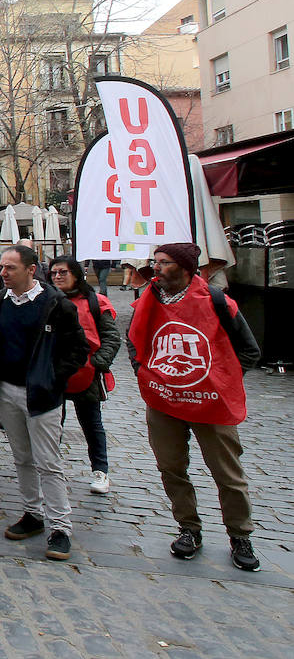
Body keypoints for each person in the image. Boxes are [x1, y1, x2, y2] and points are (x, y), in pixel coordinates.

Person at [127, 242, 263, 572]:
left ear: (186, 268)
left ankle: (240, 535)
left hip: (211, 404)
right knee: (171, 467)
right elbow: (135, 342)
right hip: (163, 401)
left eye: (165, 263)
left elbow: (249, 350)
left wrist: (222, 381)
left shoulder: (216, 301)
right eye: (155, 262)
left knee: (227, 473)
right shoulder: (147, 299)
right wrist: (144, 372)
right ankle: (188, 529)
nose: (156, 268)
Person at [0, 245, 87, 561]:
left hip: (41, 395)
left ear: (31, 269)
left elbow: (78, 350)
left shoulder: (56, 304)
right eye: (2, 267)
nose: (3, 273)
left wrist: (52, 379)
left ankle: (61, 528)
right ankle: (33, 513)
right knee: (22, 457)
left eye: (10, 268)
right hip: (7, 392)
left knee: (48, 462)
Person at [48, 256, 121, 494]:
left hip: (86, 372)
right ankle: (50, 468)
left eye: (63, 272)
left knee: (91, 423)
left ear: (76, 275)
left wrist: (99, 362)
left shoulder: (96, 301)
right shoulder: (45, 300)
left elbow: (111, 336)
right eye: (54, 273)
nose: (57, 277)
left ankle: (100, 471)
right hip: (53, 371)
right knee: (50, 423)